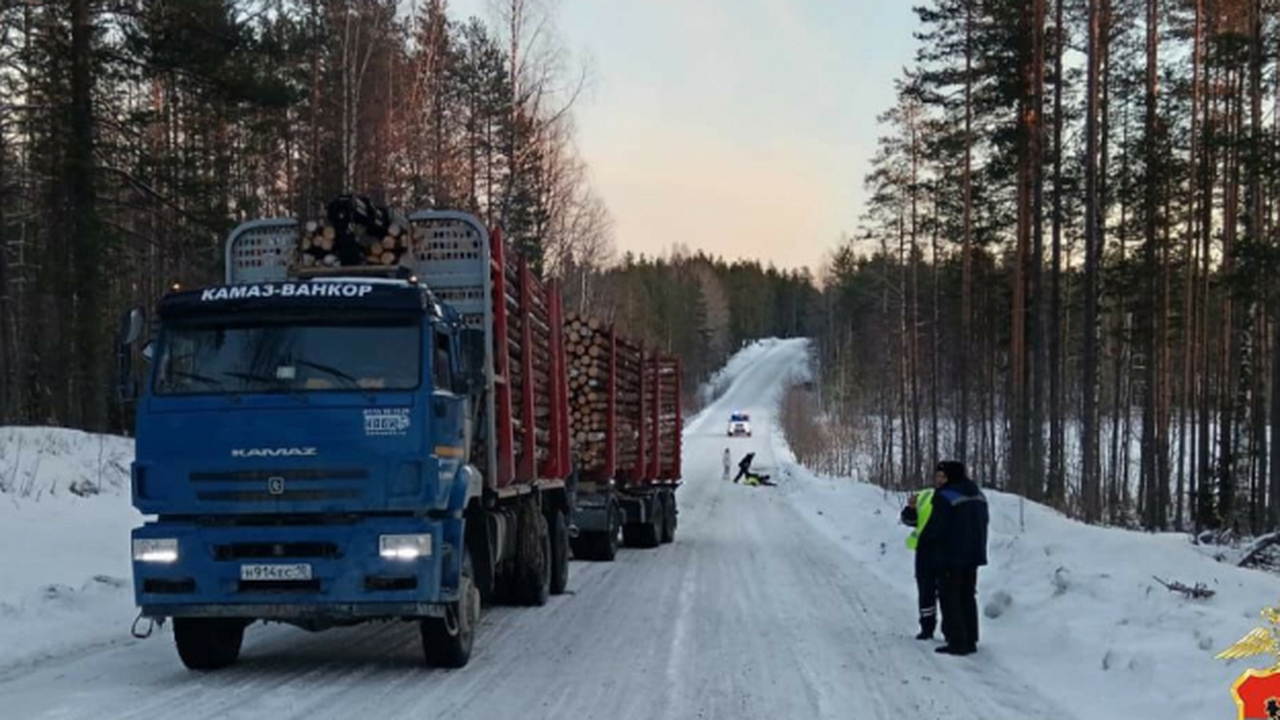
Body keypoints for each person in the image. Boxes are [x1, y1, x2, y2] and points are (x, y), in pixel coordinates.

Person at [917, 460, 988, 656]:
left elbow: (937, 527)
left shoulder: (945, 496)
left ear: (949, 476)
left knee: (950, 597)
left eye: (942, 476)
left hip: (951, 555)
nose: (939, 480)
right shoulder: (978, 494)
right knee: (967, 595)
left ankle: (957, 640)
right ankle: (970, 638)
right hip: (974, 553)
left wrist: (924, 541)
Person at [900, 470, 946, 640]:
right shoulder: (925, 495)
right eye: (938, 476)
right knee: (925, 591)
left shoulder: (954, 498)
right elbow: (908, 520)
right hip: (925, 551)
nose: (940, 480)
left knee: (946, 593)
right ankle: (927, 627)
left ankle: (949, 628)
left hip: (946, 552)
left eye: (944, 477)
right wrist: (911, 508)